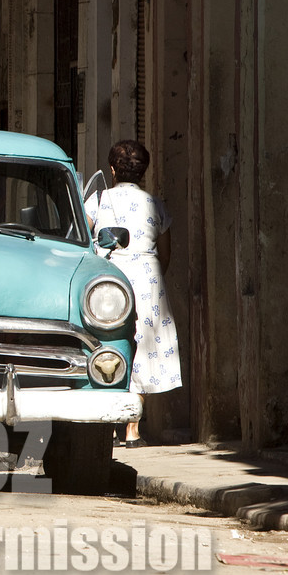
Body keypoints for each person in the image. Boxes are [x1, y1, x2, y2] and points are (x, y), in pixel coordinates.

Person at [85, 139, 181, 448]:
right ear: (144, 171)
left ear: (112, 170)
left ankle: (108, 423)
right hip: (148, 279)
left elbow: (83, 239)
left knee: (105, 343)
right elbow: (165, 254)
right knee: (144, 349)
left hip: (108, 279)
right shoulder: (156, 204)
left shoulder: (98, 201)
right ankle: (132, 430)